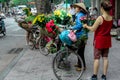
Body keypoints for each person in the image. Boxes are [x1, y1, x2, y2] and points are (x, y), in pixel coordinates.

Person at [83, 0, 113, 80]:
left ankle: (94, 76)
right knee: (105, 58)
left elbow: (93, 29)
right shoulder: (111, 18)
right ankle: (104, 76)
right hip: (107, 40)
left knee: (97, 58)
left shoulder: (100, 18)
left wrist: (86, 26)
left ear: (102, 8)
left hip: (99, 40)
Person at [71, 3, 88, 71]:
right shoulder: (82, 14)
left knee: (80, 52)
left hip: (81, 35)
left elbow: (79, 25)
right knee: (80, 51)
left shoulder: (80, 15)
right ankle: (79, 63)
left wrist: (72, 27)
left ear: (80, 8)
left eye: (76, 7)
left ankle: (82, 66)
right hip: (83, 35)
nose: (75, 8)